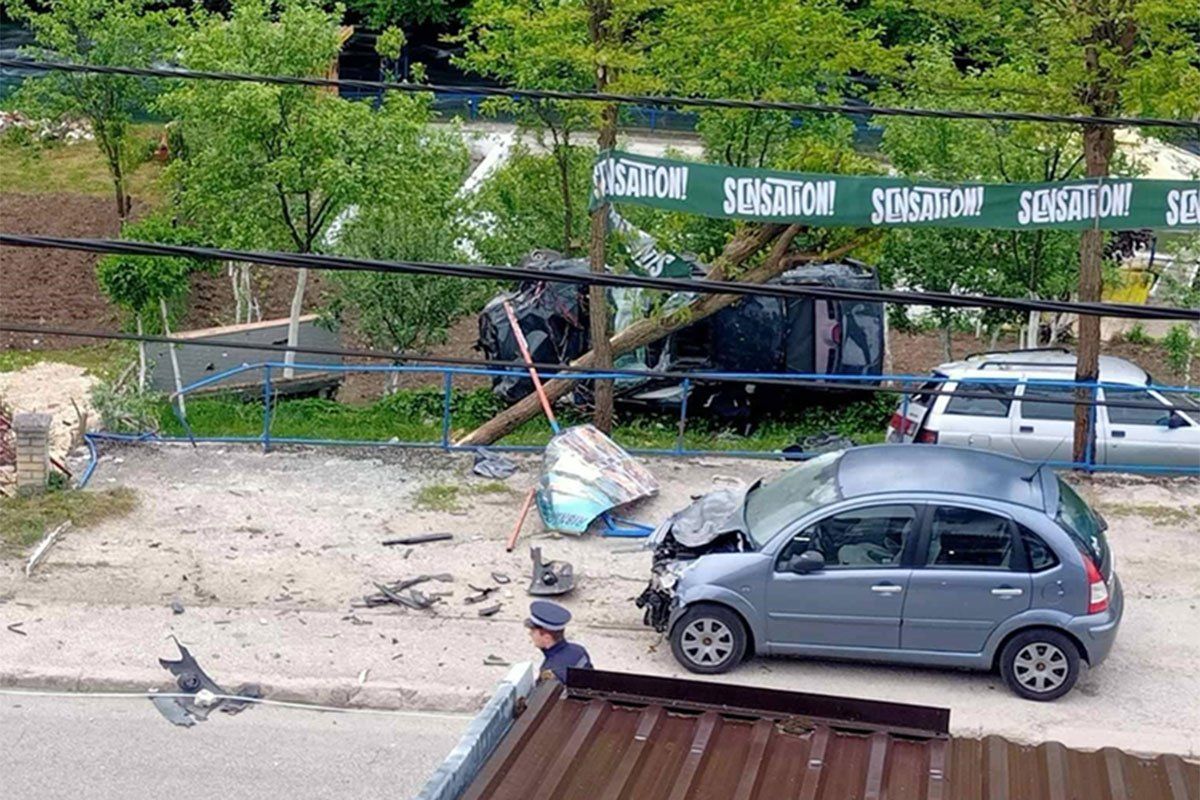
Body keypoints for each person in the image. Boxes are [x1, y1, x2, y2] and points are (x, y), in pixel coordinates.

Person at [526, 600, 592, 683]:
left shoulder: (550, 672)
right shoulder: (579, 650)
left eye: (533, 631)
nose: (530, 634)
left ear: (547, 638)